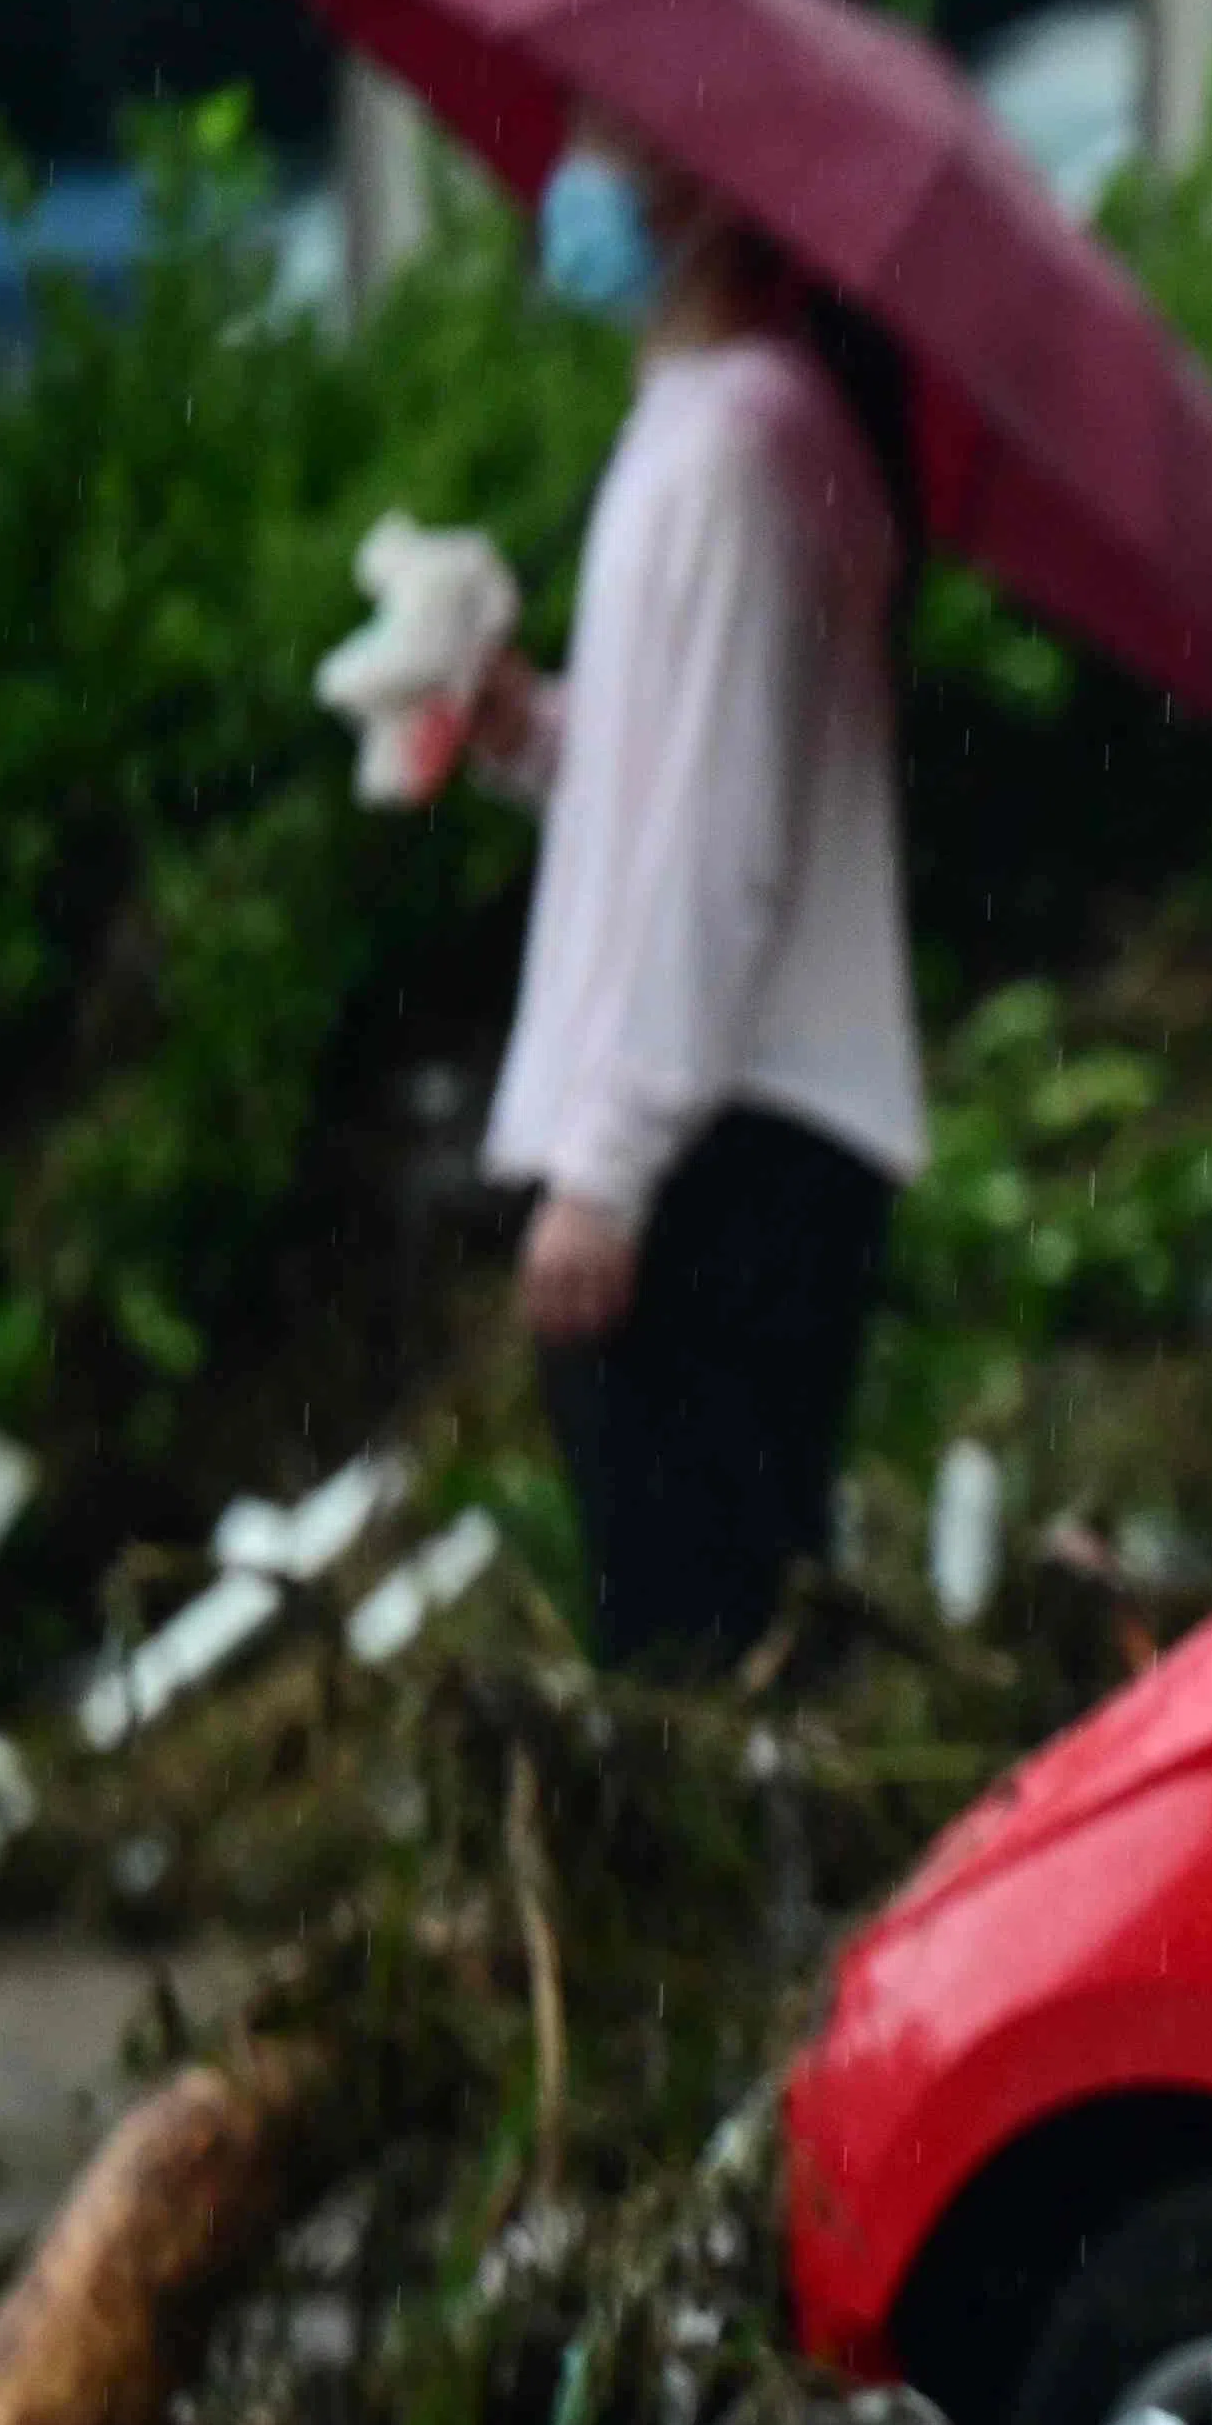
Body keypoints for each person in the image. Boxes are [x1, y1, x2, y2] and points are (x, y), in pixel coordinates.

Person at [468, 114, 923, 1672]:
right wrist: (534, 733)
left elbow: (722, 846)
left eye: (609, 145)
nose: (573, 178)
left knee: (695, 1649)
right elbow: (680, 766)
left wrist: (607, 1167)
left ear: (715, 190)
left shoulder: (743, 449)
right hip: (718, 1124)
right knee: (711, 1628)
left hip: (726, 1136)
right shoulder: (711, 428)